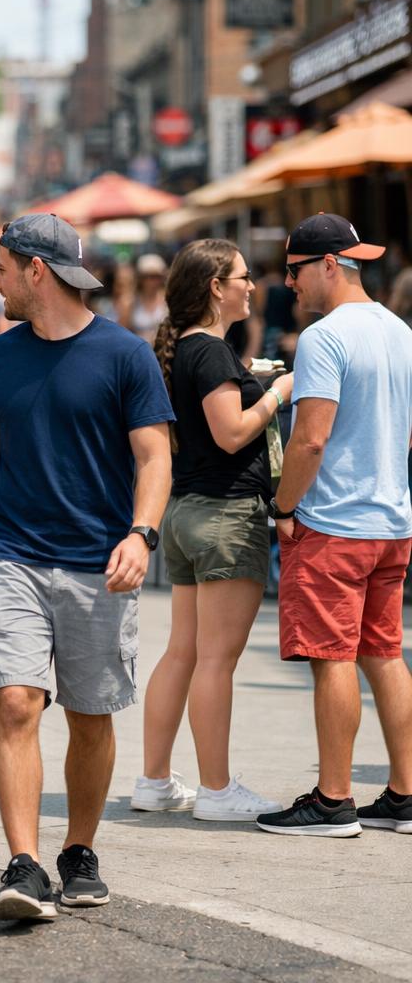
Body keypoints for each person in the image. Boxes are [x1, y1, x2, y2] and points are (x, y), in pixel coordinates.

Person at [0, 213, 173, 921]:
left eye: (2, 268)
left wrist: (142, 534)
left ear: (36, 270)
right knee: (16, 701)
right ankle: (24, 863)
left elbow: (155, 456)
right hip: (13, 555)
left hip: (99, 564)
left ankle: (78, 850)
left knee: (91, 717)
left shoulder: (124, 354)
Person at [256, 214, 412, 838]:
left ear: (326, 265)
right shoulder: (401, 331)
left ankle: (333, 799)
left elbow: (311, 439)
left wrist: (285, 509)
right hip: (391, 519)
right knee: (384, 653)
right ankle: (403, 794)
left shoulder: (325, 338)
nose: (288, 285)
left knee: (331, 657)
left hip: (334, 523)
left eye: (293, 272)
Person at [133, 239, 293, 822]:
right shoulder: (210, 354)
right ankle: (217, 790)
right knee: (215, 660)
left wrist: (251, 375)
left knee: (183, 651)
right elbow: (231, 432)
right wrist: (277, 393)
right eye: (244, 277)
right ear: (215, 288)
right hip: (226, 515)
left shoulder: (190, 350)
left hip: (186, 511)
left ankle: (154, 779)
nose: (253, 285)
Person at [125, 253, 169, 344]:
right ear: (140, 278)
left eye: (157, 277)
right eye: (147, 277)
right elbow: (123, 331)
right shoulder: (130, 302)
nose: (152, 281)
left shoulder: (168, 300)